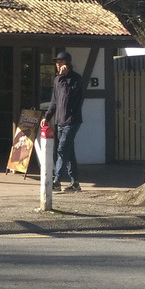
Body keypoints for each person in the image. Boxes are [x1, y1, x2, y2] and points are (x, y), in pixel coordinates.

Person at [41, 50, 84, 192]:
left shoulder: (76, 79)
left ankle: (56, 180)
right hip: (60, 121)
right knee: (69, 151)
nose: (57, 65)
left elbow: (68, 95)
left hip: (72, 120)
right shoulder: (57, 79)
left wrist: (63, 76)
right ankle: (75, 183)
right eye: (56, 62)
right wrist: (47, 117)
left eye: (60, 62)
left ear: (66, 64)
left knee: (62, 149)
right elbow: (54, 101)